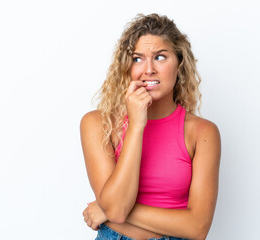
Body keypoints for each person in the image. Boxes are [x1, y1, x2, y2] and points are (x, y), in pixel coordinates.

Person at [80, 13, 221, 240]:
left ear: (179, 63)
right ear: (126, 67)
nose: (148, 70)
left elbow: (198, 228)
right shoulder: (98, 123)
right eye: (137, 59)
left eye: (160, 57)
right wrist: (136, 125)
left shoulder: (202, 133)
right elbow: (115, 208)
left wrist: (105, 209)